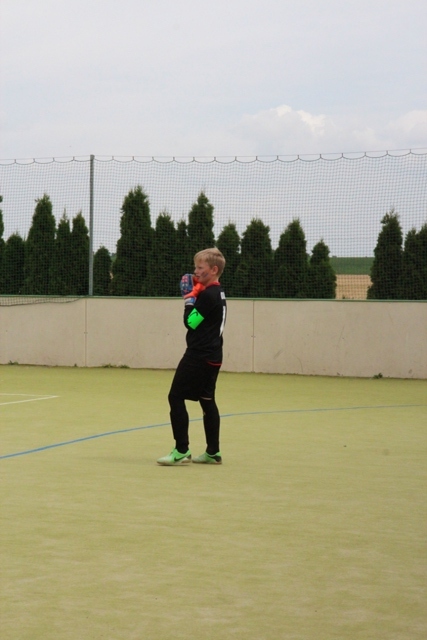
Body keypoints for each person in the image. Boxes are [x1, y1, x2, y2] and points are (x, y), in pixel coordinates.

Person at [157, 248, 227, 466]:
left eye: (200, 267)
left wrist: (189, 299)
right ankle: (213, 452)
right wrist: (196, 293)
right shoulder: (217, 292)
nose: (195, 271)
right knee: (207, 400)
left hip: (199, 355)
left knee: (175, 397)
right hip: (213, 355)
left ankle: (181, 450)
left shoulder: (209, 295)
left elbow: (191, 322)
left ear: (213, 270)